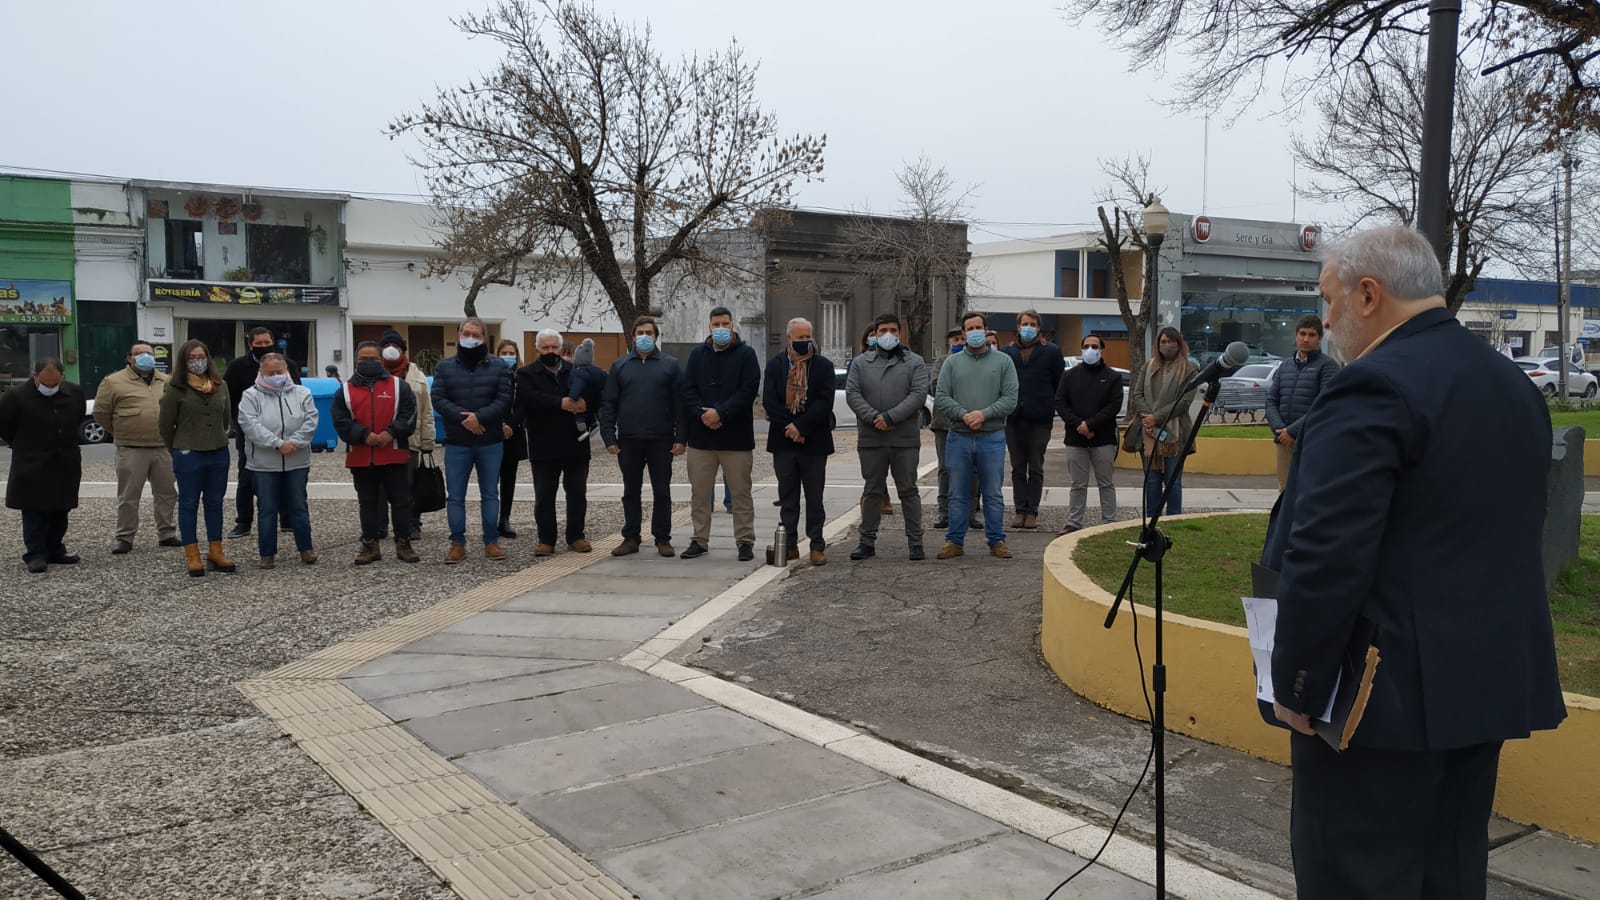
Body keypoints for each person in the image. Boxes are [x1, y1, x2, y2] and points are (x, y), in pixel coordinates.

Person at [1262, 226, 1566, 898]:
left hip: (1378, 702)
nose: (1327, 321)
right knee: (1450, 874)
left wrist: (1299, 685)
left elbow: (1327, 555)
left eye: (1330, 301)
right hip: (1483, 685)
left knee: (1357, 877)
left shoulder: (1370, 387)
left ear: (1368, 295)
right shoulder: (1511, 384)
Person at [934, 311, 1020, 559]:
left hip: (991, 437)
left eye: (978, 327)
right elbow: (942, 397)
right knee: (957, 493)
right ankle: (954, 542)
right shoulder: (952, 363)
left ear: (986, 330)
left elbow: (1010, 398)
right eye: (969, 329)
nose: (974, 332)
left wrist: (983, 414)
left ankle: (996, 541)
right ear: (963, 334)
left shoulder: (1003, 362)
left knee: (993, 493)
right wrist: (963, 415)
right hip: (958, 437)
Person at [845, 313, 929, 561]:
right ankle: (866, 541)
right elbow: (853, 394)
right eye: (882, 331)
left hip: (904, 438)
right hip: (872, 438)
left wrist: (891, 417)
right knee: (872, 490)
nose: (888, 335)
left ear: (900, 333)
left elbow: (918, 395)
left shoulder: (915, 362)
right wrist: (874, 418)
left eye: (893, 330)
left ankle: (915, 542)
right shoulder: (861, 363)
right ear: (875, 333)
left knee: (908, 491)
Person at [681, 306, 762, 561]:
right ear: (709, 326)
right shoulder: (696, 355)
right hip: (701, 439)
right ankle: (699, 540)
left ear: (732, 325)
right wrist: (704, 415)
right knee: (700, 494)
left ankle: (745, 541)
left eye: (725, 324)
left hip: (735, 439)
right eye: (716, 325)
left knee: (740, 493)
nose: (720, 329)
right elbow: (687, 390)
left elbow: (747, 391)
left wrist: (720, 414)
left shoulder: (746, 355)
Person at [601, 316, 686, 557]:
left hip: (661, 440)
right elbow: (608, 403)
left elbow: (680, 405)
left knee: (662, 491)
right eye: (640, 332)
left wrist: (681, 438)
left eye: (649, 332)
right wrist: (609, 437)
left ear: (656, 336)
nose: (644, 336)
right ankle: (631, 537)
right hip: (629, 440)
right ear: (633, 336)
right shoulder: (620, 366)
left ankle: (663, 538)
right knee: (630, 491)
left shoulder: (670, 365)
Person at [430, 317, 513, 563]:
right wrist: (463, 419)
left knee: (490, 493)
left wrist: (479, 418)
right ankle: (457, 542)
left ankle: (491, 542)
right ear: (458, 336)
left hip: (490, 441)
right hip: (457, 441)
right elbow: (439, 398)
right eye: (466, 333)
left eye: (476, 335)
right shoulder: (444, 367)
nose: (470, 338)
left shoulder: (499, 367)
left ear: (484, 338)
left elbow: (504, 399)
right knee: (455, 495)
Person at [333, 341, 421, 564]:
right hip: (362, 457)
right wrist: (363, 435)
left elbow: (410, 415)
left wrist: (391, 433)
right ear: (356, 361)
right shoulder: (344, 391)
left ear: (381, 360)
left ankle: (403, 544)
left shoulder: (399, 386)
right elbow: (340, 421)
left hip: (394, 455)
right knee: (368, 503)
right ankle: (370, 546)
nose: (369, 363)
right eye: (364, 359)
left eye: (373, 358)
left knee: (401, 501)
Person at [515, 328, 598, 557]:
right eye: (546, 347)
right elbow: (529, 399)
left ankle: (576, 536)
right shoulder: (526, 374)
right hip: (543, 445)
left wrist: (586, 406)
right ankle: (546, 539)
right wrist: (559, 403)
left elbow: (594, 396)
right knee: (544, 496)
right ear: (538, 349)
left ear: (561, 349)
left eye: (554, 347)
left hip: (576, 443)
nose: (550, 351)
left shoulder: (577, 371)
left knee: (577, 494)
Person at [94, 340, 181, 554]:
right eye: (139, 353)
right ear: (129, 358)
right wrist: (122, 430)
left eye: (149, 353)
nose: (145, 357)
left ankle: (167, 533)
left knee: (167, 493)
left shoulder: (167, 381)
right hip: (131, 448)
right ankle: (124, 537)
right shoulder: (113, 381)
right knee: (129, 496)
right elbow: (101, 413)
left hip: (163, 448)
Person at [159, 339, 236, 577]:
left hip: (218, 452)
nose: (197, 361)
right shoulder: (175, 388)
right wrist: (177, 448)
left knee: (214, 503)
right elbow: (165, 425)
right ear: (184, 361)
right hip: (188, 453)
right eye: (191, 358)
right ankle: (192, 554)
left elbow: (226, 418)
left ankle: (216, 550)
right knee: (189, 503)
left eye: (201, 356)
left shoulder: (219, 385)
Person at [0, 359, 84, 574]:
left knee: (61, 508)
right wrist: (24, 445)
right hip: (32, 461)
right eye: (45, 384)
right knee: (34, 510)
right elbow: (5, 427)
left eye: (54, 384)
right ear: (34, 375)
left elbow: (77, 419)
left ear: (62, 377)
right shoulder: (15, 396)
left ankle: (55, 549)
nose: (49, 388)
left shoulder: (73, 393)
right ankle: (35, 553)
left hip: (65, 460)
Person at [763, 317, 835, 566]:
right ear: (789, 338)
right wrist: (789, 427)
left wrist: (802, 426)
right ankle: (790, 544)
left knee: (814, 497)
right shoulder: (774, 365)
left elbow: (825, 403)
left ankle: (816, 544)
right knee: (788, 497)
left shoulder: (823, 366)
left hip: (814, 441)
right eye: (800, 338)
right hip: (784, 441)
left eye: (808, 337)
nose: (805, 342)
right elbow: (770, 402)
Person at [237, 353, 318, 568]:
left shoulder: (303, 393)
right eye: (270, 373)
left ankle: (306, 548)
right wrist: (276, 443)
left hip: (297, 461)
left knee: (299, 506)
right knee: (267, 508)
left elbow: (311, 420)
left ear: (286, 371)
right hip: (264, 464)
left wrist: (295, 442)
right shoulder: (250, 395)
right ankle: (267, 553)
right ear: (261, 372)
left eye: (279, 372)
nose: (275, 376)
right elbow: (249, 424)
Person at [222, 327, 300, 539]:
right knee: (247, 478)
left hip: (284, 431)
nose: (264, 346)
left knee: (285, 475)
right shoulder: (237, 367)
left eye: (268, 342)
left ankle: (286, 519)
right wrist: (237, 425)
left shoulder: (289, 365)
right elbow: (228, 398)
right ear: (250, 345)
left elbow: (298, 396)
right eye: (259, 343)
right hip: (249, 432)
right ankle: (244, 522)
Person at [1000, 309, 1065, 530]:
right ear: (1018, 326)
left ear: (1038, 327)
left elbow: (1059, 384)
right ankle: (1020, 510)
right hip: (1013, 418)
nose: (1028, 327)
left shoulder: (1052, 352)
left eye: (1033, 324)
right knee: (1018, 467)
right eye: (1024, 323)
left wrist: (1051, 408)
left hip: (1040, 419)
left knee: (1035, 466)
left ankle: (1032, 511)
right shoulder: (1006, 352)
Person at [1055, 333, 1123, 535]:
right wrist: (1080, 425)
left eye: (1095, 346)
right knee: (1077, 484)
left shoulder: (1113, 377)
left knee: (1106, 482)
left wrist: (1091, 425)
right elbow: (1060, 402)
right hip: (1076, 439)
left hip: (1103, 439)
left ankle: (1109, 522)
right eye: (1087, 346)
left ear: (1102, 349)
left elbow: (1114, 406)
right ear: (1081, 348)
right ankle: (1074, 522)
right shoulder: (1069, 375)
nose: (1090, 350)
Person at [1129, 327, 1199, 518]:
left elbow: (1184, 402)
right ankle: (1152, 520)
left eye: (1171, 341)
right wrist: (1148, 418)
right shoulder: (1148, 366)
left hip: (1175, 434)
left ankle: (1173, 519)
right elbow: (1137, 394)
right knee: (1151, 481)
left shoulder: (1189, 369)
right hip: (1149, 432)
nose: (1166, 345)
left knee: (1173, 481)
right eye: (1163, 342)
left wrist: (1156, 418)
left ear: (1179, 343)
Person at [1265, 314, 1340, 492]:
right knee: (1284, 491)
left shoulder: (1328, 366)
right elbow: (1271, 401)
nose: (1306, 339)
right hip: (1283, 441)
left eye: (1312, 335)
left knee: (1308, 491)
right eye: (1302, 334)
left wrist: (1293, 431)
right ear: (1296, 335)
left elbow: (1325, 406)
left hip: (1311, 441)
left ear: (1319, 338)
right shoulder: (1285, 367)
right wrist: (1280, 430)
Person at [378, 329, 437, 539]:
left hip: (410, 440)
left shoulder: (416, 375)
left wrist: (428, 441)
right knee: (381, 487)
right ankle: (380, 525)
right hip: (381, 440)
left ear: (403, 350)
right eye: (386, 347)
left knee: (410, 484)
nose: (391, 350)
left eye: (395, 346)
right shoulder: (374, 373)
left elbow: (426, 410)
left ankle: (412, 523)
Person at [930, 328, 980, 531]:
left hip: (970, 423)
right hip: (944, 423)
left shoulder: (975, 361)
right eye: (955, 339)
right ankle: (945, 512)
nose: (959, 341)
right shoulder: (941, 362)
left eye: (962, 338)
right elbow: (935, 387)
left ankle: (970, 512)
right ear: (949, 342)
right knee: (945, 469)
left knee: (973, 469)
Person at [494, 338, 529, 538]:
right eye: (504, 353)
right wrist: (499, 424)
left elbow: (523, 405)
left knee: (509, 479)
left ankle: (504, 518)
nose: (508, 357)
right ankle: (490, 518)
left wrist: (511, 425)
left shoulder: (520, 378)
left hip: (513, 433)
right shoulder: (491, 377)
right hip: (493, 432)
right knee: (490, 480)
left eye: (511, 353)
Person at [567, 338, 605, 440]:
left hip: (581, 398)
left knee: (579, 413)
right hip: (596, 400)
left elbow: (577, 385)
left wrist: (572, 397)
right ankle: (593, 425)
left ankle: (581, 428)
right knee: (591, 414)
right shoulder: (599, 371)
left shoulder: (579, 372)